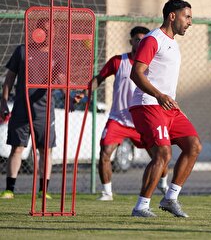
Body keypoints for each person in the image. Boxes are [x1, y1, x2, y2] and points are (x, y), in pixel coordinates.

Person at [129, 0, 202, 218]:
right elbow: (136, 73)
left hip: (168, 106)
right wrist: (159, 95)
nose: (190, 22)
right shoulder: (153, 39)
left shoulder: (174, 44)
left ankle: (171, 198)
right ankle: (141, 206)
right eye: (186, 16)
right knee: (163, 153)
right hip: (148, 104)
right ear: (172, 16)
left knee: (194, 146)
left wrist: (169, 99)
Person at [0, 20, 81, 199]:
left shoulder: (57, 54)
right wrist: (4, 101)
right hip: (22, 109)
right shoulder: (22, 51)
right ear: (36, 31)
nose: (47, 33)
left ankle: (43, 190)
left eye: (50, 31)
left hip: (44, 111)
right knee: (17, 149)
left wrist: (69, 96)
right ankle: (9, 190)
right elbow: (9, 80)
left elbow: (61, 80)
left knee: (45, 150)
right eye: (44, 30)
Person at [90, 26, 169, 201]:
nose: (140, 42)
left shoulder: (154, 64)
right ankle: (107, 193)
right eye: (137, 39)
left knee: (160, 155)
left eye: (143, 39)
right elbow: (99, 79)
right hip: (118, 118)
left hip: (142, 120)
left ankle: (163, 184)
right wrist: (84, 94)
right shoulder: (119, 61)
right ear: (131, 41)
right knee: (105, 152)